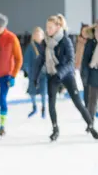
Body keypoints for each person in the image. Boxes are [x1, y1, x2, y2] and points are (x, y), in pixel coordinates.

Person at [33, 14, 98, 142]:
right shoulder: (45, 42)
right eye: (47, 27)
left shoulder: (65, 40)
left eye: (50, 27)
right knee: (51, 103)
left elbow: (70, 61)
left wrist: (60, 73)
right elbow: (40, 60)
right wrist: (34, 78)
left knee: (78, 102)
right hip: (52, 74)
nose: (48, 30)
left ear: (58, 27)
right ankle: (55, 129)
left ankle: (91, 126)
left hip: (66, 75)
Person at [23, 26, 48, 119]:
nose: (38, 36)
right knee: (32, 91)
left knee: (43, 91)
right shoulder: (30, 47)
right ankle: (34, 107)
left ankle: (44, 108)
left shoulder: (45, 46)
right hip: (33, 74)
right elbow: (26, 60)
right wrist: (28, 71)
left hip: (43, 73)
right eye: (36, 34)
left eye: (39, 34)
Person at [80, 23, 98, 125]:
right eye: (96, 31)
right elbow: (85, 60)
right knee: (92, 100)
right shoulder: (90, 43)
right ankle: (90, 122)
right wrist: (85, 75)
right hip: (93, 74)